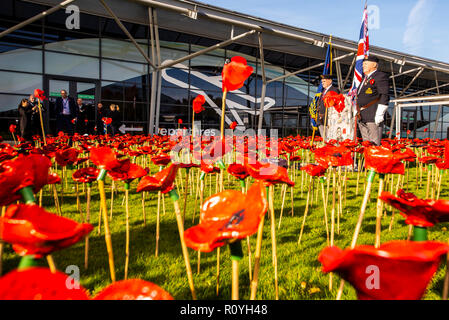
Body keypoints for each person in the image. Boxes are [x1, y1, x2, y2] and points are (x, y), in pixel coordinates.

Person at [356, 56, 390, 146]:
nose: (363, 66)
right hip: (362, 115)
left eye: (366, 64)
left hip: (373, 115)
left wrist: (380, 113)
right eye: (363, 64)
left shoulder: (380, 76)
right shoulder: (365, 78)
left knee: (374, 144)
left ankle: (374, 160)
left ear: (374, 65)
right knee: (366, 144)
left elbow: (384, 95)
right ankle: (367, 160)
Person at [317, 74, 340, 138]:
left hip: (328, 119)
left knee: (329, 138)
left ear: (330, 81)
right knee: (324, 138)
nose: (322, 83)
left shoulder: (334, 90)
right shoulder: (323, 92)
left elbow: (334, 105)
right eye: (322, 82)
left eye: (324, 81)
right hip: (321, 119)